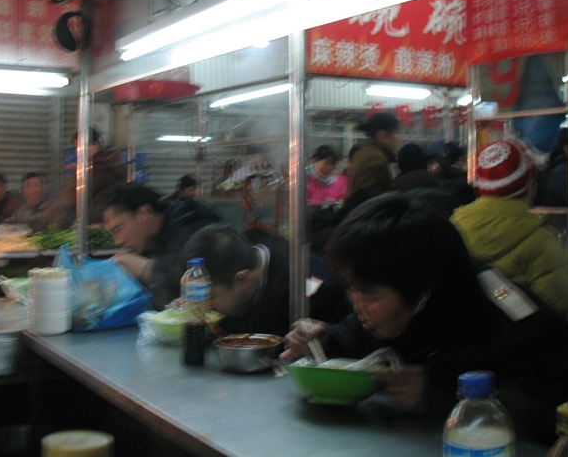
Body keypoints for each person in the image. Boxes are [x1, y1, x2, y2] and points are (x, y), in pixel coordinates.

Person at [281, 193, 568, 444]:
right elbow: (363, 332)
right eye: (351, 287)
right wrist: (329, 341)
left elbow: (552, 409)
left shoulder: (521, 327)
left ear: (422, 293)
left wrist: (438, 397)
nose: (356, 303)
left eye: (369, 294)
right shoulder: (397, 291)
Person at [450, 139, 568, 373]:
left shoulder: (451, 229)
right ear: (529, 184)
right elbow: (566, 317)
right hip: (528, 374)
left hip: (466, 372)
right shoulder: (539, 240)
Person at [181, 224, 350, 336]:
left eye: (210, 297)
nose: (205, 306)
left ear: (242, 280)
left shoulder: (311, 289)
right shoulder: (242, 253)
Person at [101, 182, 220, 310]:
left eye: (118, 229)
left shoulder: (191, 229)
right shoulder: (156, 236)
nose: (117, 241)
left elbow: (197, 288)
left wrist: (147, 269)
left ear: (144, 213)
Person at [58, 128, 127, 224]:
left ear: (96, 144)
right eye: (77, 148)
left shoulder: (101, 166)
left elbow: (76, 196)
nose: (79, 152)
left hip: (100, 222)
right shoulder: (102, 163)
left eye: (82, 147)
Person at [347, 112, 399, 197]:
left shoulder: (366, 154)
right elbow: (369, 202)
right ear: (383, 135)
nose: (397, 137)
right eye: (395, 132)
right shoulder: (376, 160)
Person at [6, 172, 71, 232]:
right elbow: (10, 223)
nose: (33, 190)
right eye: (28, 186)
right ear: (23, 192)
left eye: (36, 185)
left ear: (44, 189)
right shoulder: (22, 211)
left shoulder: (56, 210)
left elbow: (57, 235)